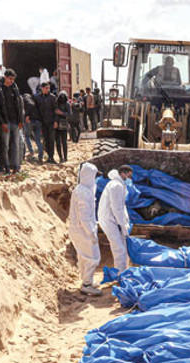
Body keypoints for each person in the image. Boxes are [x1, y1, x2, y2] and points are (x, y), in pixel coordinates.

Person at [69, 163, 101, 296]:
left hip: (79, 229)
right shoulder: (83, 192)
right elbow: (84, 216)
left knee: (84, 257)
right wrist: (91, 232)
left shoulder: (82, 189)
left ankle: (86, 281)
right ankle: (87, 285)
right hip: (82, 230)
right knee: (93, 257)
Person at [98, 165, 133, 273]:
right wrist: (123, 225)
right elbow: (117, 208)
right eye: (129, 176)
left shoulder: (118, 184)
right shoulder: (116, 186)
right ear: (123, 174)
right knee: (119, 249)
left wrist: (124, 222)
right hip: (109, 220)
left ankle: (123, 271)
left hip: (112, 219)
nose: (130, 179)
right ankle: (121, 275)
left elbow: (121, 207)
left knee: (121, 246)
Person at [0, 69, 24, 175]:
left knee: (15, 145)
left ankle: (16, 167)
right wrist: (2, 122)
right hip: (5, 122)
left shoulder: (15, 89)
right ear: (5, 77)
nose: (11, 81)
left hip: (15, 122)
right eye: (10, 79)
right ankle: (6, 168)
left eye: (13, 79)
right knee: (5, 146)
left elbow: (19, 106)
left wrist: (21, 120)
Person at [35, 83, 58, 164]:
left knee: (51, 140)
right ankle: (48, 156)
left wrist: (55, 121)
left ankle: (51, 157)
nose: (47, 89)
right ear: (42, 88)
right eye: (45, 88)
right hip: (43, 122)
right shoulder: (38, 98)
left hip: (51, 121)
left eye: (48, 88)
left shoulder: (52, 97)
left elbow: (55, 110)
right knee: (46, 140)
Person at [55, 91, 71, 163]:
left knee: (64, 142)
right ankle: (61, 157)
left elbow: (70, 114)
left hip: (64, 124)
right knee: (58, 142)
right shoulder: (56, 104)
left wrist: (62, 113)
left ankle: (65, 157)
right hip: (57, 124)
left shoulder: (67, 104)